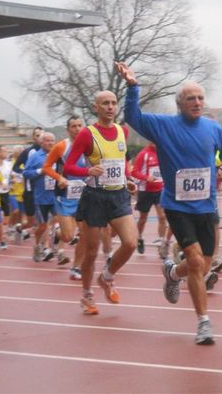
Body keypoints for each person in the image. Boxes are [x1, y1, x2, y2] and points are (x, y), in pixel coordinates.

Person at [118, 61, 222, 345]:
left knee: (204, 263)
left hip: (207, 206)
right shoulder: (164, 126)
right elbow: (133, 116)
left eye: (200, 98)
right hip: (177, 206)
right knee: (196, 262)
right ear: (180, 104)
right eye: (190, 98)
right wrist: (133, 87)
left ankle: (173, 273)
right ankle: (203, 322)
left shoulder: (212, 128)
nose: (197, 102)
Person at [64, 91, 138, 315]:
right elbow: (68, 167)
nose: (110, 107)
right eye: (105, 103)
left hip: (118, 196)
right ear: (96, 107)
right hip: (95, 198)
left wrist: (127, 179)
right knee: (91, 252)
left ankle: (106, 276)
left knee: (131, 243)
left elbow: (121, 161)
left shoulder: (122, 131)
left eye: (114, 103)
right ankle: (87, 295)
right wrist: (88, 170)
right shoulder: (87, 134)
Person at [42, 116, 87, 278]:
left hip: (84, 195)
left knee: (85, 234)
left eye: (79, 125)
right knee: (68, 236)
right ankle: (57, 232)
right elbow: (46, 167)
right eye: (73, 126)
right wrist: (59, 178)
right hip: (64, 195)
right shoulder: (61, 146)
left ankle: (76, 267)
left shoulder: (89, 146)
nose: (77, 129)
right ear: (68, 129)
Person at [23, 132, 59, 263]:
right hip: (41, 197)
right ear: (41, 142)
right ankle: (38, 245)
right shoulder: (35, 156)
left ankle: (50, 248)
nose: (50, 143)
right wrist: (40, 171)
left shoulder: (58, 155)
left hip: (55, 195)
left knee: (57, 222)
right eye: (47, 141)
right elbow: (26, 173)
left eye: (52, 140)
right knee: (43, 226)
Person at [131, 142, 168, 257]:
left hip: (160, 190)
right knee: (143, 218)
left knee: (162, 216)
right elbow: (134, 171)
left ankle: (162, 243)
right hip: (145, 191)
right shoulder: (143, 154)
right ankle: (139, 238)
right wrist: (146, 178)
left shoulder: (162, 153)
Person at [12, 127, 44, 243]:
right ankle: (20, 228)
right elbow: (15, 166)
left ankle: (43, 246)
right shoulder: (28, 151)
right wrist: (24, 173)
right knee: (32, 222)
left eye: (42, 135)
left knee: (44, 221)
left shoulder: (51, 151)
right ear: (33, 138)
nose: (40, 138)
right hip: (31, 190)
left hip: (45, 191)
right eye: (37, 135)